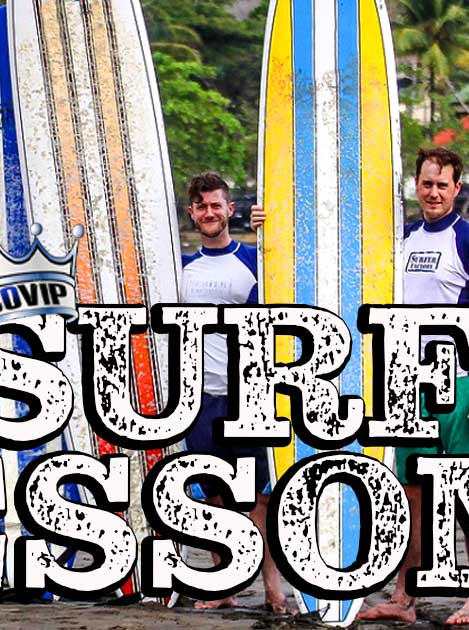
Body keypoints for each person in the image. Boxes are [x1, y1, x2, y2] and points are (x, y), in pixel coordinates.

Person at [359, 147, 469, 626]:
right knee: (409, 496)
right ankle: (405, 599)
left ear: (457, 188)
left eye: (443, 184)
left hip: (462, 382)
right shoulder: (400, 240)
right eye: (427, 183)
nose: (434, 192)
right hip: (409, 383)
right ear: (416, 185)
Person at [176, 172, 285, 613]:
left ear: (230, 210)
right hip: (198, 397)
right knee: (215, 496)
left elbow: (293, 275)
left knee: (258, 497)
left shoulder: (256, 260)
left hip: (248, 394)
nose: (209, 212)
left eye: (215, 205)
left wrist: (273, 228)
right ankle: (226, 584)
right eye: (201, 206)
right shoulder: (180, 267)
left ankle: (276, 589)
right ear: (191, 213)